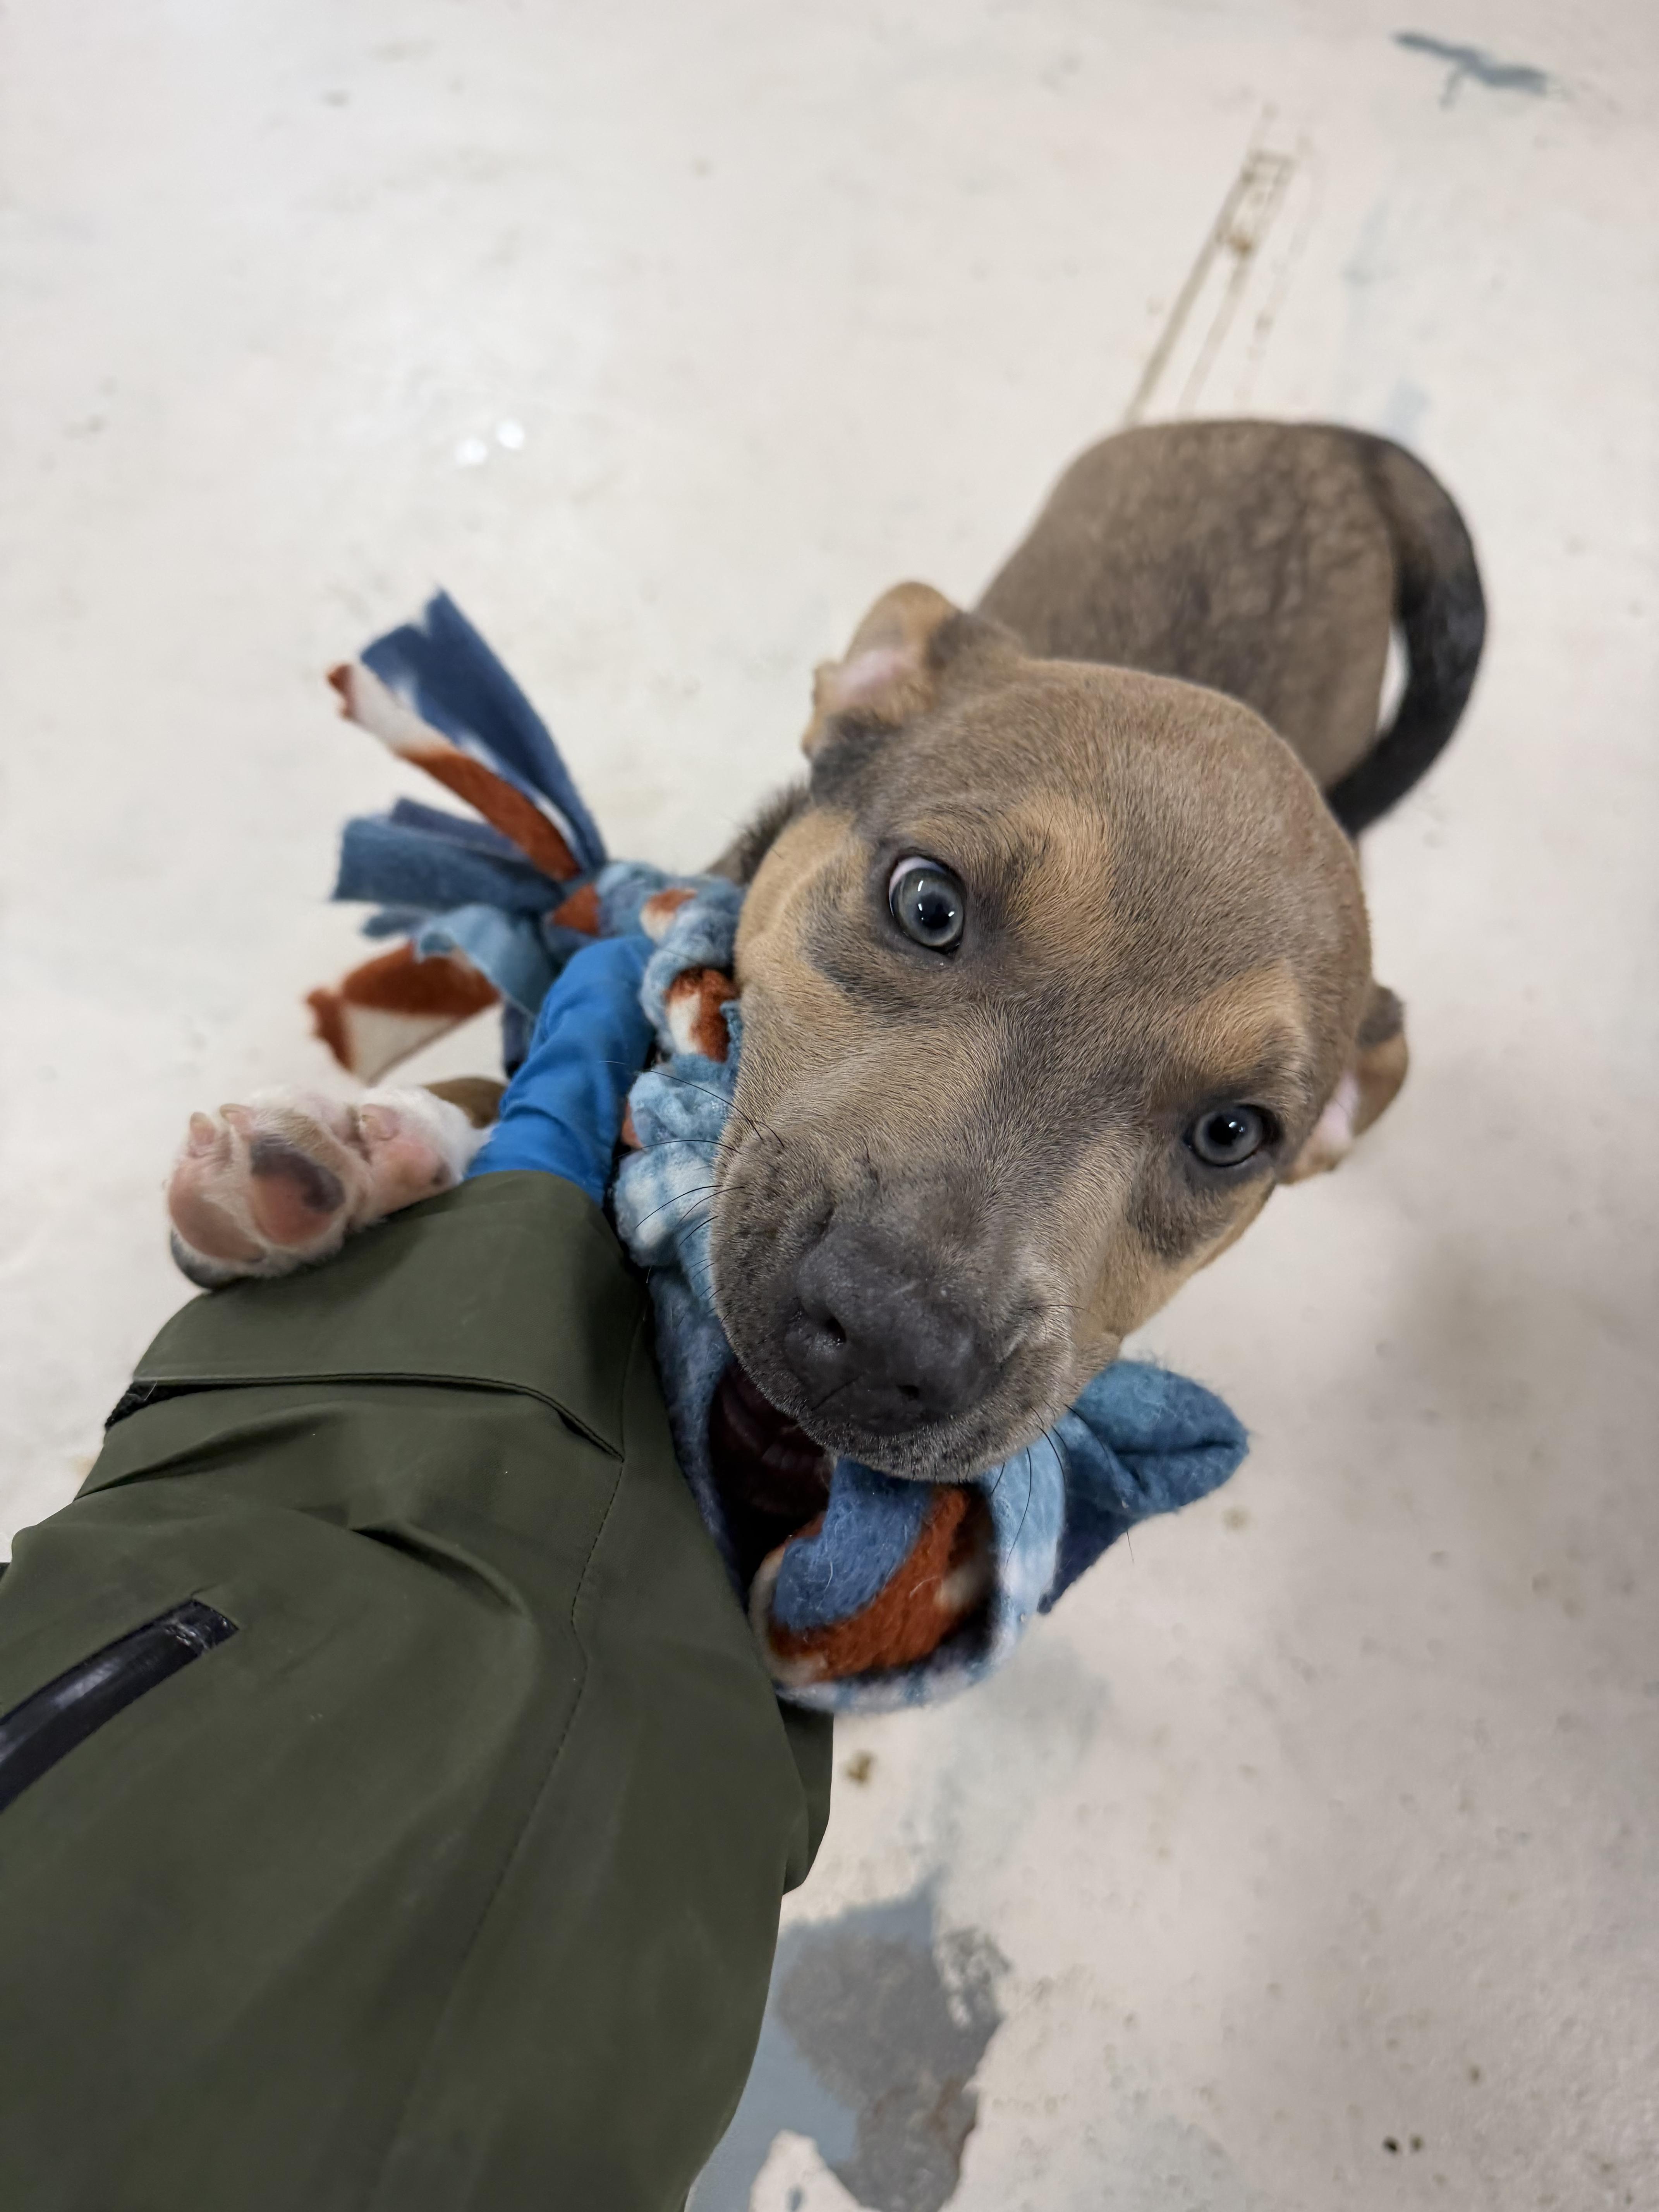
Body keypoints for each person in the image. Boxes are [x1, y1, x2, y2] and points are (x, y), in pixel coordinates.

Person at [0, 936, 831, 2212]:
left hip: (298, 1559)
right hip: (641, 1774)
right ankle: (510, 1094)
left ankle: (484, 1101)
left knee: (575, 1136)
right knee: (800, 1289)